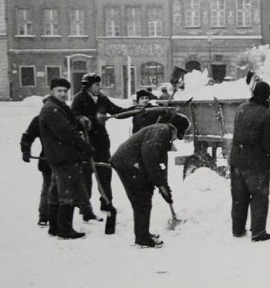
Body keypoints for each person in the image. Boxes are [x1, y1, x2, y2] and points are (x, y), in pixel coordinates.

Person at [111, 114, 190, 248]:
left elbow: (161, 165)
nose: (176, 139)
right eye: (178, 135)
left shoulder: (163, 135)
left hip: (132, 163)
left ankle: (143, 234)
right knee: (142, 199)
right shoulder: (161, 132)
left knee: (145, 197)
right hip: (128, 163)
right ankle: (142, 238)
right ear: (175, 130)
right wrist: (158, 183)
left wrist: (165, 188)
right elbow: (149, 158)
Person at [39, 78, 94, 239]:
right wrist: (85, 147)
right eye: (59, 91)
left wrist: (80, 120)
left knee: (56, 190)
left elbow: (71, 123)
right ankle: (64, 229)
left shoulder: (57, 106)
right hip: (63, 156)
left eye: (65, 91)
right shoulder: (52, 109)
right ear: (52, 91)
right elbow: (66, 132)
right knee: (66, 192)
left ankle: (54, 227)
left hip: (59, 156)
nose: (63, 94)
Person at [228, 80, 270, 242]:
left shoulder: (241, 108)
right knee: (259, 196)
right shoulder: (267, 115)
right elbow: (268, 143)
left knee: (238, 197)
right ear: (267, 96)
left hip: (236, 159)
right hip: (255, 162)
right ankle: (258, 232)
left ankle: (237, 229)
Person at [71, 72, 125, 217]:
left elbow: (116, 111)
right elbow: (74, 118)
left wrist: (135, 110)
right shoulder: (79, 98)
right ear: (88, 86)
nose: (99, 87)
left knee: (105, 174)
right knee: (86, 176)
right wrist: (93, 119)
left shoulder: (102, 98)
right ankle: (85, 207)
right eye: (96, 84)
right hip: (86, 144)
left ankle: (107, 203)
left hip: (101, 143)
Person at [20, 115, 52, 226]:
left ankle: (56, 217)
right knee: (49, 187)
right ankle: (44, 215)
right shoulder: (40, 119)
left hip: (65, 159)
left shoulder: (65, 116)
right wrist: (25, 149)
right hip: (49, 160)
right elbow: (27, 136)